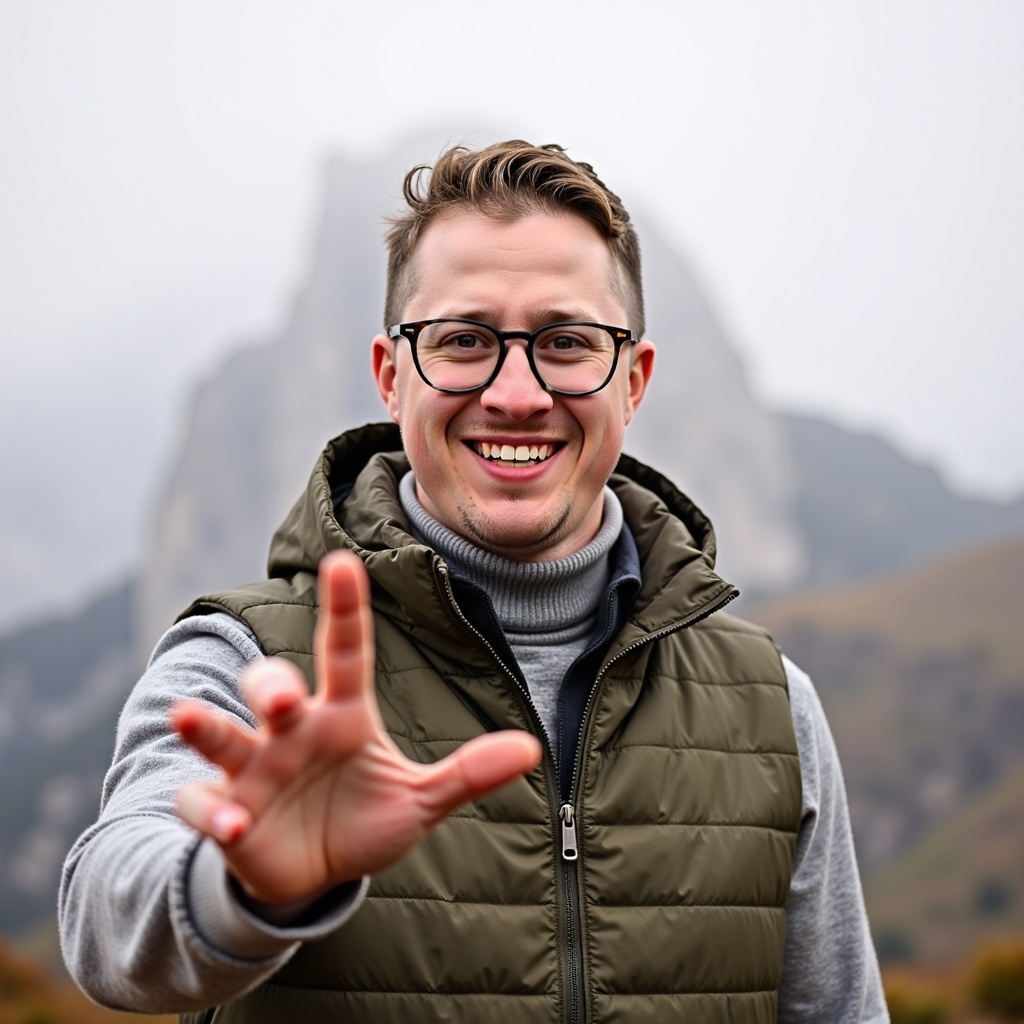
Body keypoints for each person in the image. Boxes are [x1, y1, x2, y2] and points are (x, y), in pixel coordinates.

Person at [60, 140, 888, 1023]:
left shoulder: (774, 705)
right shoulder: (244, 662)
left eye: (567, 342)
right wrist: (246, 886)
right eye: (464, 340)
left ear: (633, 381)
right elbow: (107, 927)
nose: (517, 394)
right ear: (391, 376)